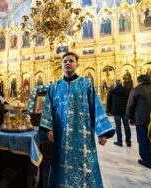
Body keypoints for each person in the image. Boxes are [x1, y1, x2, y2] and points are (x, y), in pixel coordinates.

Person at [40, 52, 115, 187]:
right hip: (60, 135)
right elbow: (47, 108)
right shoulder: (54, 87)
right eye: (65, 61)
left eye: (71, 61)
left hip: (82, 136)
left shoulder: (86, 84)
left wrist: (102, 132)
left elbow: (96, 106)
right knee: (59, 164)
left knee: (85, 165)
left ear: (77, 64)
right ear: (61, 65)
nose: (67, 63)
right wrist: (48, 128)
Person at [126, 75, 151, 169]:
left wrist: (129, 117)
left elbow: (130, 105)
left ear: (140, 81)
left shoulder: (136, 90)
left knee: (143, 140)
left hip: (142, 119)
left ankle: (147, 160)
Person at [106, 79, 131, 147]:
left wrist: (108, 110)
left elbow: (109, 101)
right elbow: (130, 101)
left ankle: (119, 142)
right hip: (125, 111)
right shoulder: (127, 91)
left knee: (118, 126)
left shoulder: (112, 91)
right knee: (126, 125)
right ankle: (128, 142)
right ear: (121, 83)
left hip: (116, 111)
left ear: (115, 84)